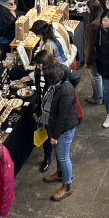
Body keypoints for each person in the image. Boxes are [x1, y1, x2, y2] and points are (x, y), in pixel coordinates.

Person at [38, 62, 80, 201]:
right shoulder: (55, 85)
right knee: (59, 153)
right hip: (56, 125)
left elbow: (63, 116)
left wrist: (55, 135)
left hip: (64, 129)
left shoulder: (66, 90)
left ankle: (67, 187)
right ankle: (60, 173)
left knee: (63, 156)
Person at [83, 0, 105, 105]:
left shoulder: (93, 25)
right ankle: (104, 95)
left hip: (95, 56)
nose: (86, 9)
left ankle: (98, 97)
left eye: (87, 7)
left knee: (95, 76)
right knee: (102, 76)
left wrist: (88, 61)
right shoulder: (103, 18)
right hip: (104, 54)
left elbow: (91, 45)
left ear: (91, 9)